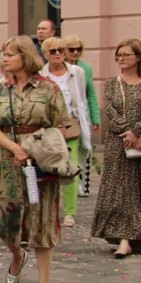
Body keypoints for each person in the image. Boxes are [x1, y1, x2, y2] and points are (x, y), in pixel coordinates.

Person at [0, 36, 70, 283]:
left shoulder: (48, 89)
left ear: (26, 57)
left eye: (10, 54)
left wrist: (37, 150)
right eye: (4, 54)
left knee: (41, 220)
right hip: (6, 160)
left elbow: (61, 126)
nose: (4, 58)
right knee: (6, 219)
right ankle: (18, 255)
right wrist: (14, 148)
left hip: (39, 162)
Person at [91, 39, 141, 258]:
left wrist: (138, 131)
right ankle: (124, 238)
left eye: (125, 55)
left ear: (138, 57)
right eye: (119, 55)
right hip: (119, 143)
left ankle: (138, 237)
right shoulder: (112, 83)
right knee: (122, 190)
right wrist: (128, 133)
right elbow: (111, 113)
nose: (121, 59)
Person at [39, 37, 91, 227]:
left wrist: (86, 124)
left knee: (70, 167)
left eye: (61, 50)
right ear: (45, 54)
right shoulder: (40, 74)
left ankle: (70, 212)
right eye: (53, 51)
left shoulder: (77, 72)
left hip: (71, 126)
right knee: (48, 169)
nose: (59, 54)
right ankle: (50, 209)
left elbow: (82, 99)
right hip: (48, 128)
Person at [63, 35, 101, 197]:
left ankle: (80, 184)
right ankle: (66, 183)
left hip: (81, 117)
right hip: (63, 117)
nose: (75, 52)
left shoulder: (85, 68)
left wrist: (96, 118)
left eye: (79, 49)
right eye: (72, 49)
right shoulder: (56, 67)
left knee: (83, 152)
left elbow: (90, 93)